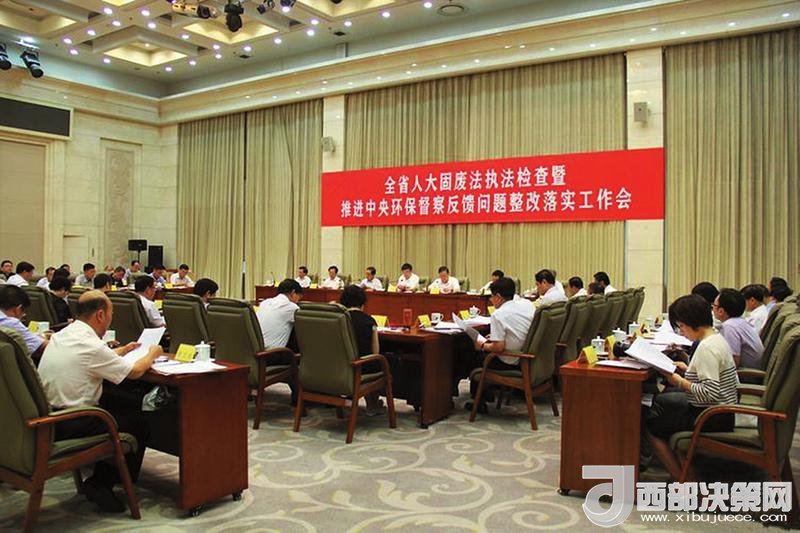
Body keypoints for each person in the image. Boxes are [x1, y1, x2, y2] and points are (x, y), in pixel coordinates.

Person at [38, 290, 162, 513]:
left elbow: (94, 358)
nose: (110, 319)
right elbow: (135, 372)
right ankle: (102, 483)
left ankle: (108, 476)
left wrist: (123, 350)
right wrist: (152, 354)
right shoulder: (91, 345)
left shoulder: (64, 335)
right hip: (73, 421)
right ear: (100, 315)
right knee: (139, 423)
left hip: (50, 416)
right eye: (111, 314)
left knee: (120, 405)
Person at [645, 294, 738, 479]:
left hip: (711, 415)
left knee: (652, 425)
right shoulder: (715, 338)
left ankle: (684, 480)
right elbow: (711, 377)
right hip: (722, 411)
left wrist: (677, 380)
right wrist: (687, 369)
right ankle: (685, 470)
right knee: (662, 407)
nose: (681, 332)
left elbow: (709, 393)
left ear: (692, 322)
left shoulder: (706, 348)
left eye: (681, 326)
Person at [467, 277, 535, 413]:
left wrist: (482, 346)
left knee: (473, 357)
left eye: (492, 297)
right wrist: (494, 338)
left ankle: (479, 402)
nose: (491, 300)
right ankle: (488, 393)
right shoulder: (527, 304)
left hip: (512, 360)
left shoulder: (499, 315)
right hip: (528, 355)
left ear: (498, 297)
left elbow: (498, 348)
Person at [340, 285, 386, 415]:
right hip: (360, 369)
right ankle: (372, 404)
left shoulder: (336, 319)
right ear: (362, 302)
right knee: (378, 362)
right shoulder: (369, 321)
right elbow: (375, 352)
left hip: (338, 368)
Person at [713, 288, 764, 369]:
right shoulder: (740, 322)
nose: (712, 307)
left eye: (714, 305)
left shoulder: (730, 326)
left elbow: (733, 362)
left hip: (746, 373)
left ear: (721, 311)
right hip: (751, 369)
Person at [0, 285, 47, 358]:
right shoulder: (11, 323)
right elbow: (44, 347)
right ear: (18, 309)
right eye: (24, 311)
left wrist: (40, 336)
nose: (24, 315)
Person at [257, 278, 302, 349]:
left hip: (254, 350)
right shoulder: (291, 307)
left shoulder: (264, 303)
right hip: (272, 352)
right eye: (299, 296)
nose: (298, 301)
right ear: (293, 293)